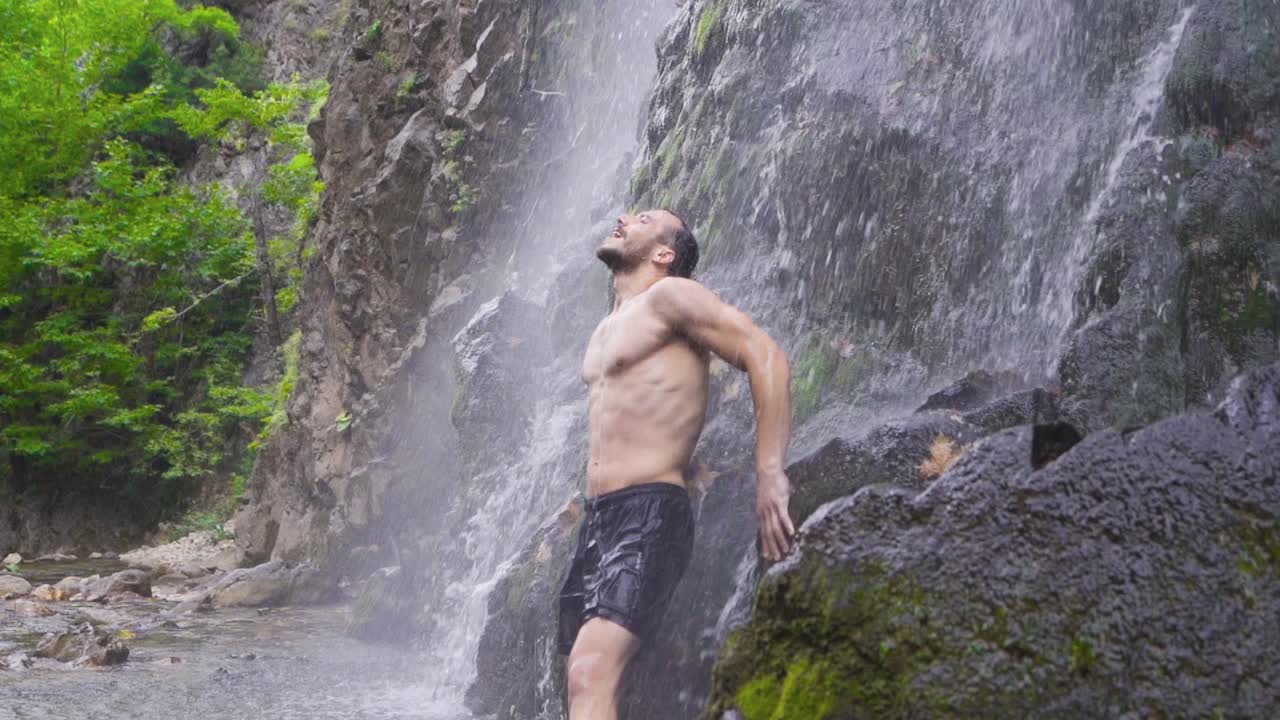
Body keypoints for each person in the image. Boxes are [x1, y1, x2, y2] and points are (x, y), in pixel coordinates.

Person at [557, 208, 796, 719]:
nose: (624, 218)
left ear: (665, 253)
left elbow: (766, 355)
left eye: (643, 219)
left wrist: (770, 470)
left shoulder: (671, 296)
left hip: (650, 514)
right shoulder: (608, 327)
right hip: (600, 520)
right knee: (586, 676)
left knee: (588, 672)